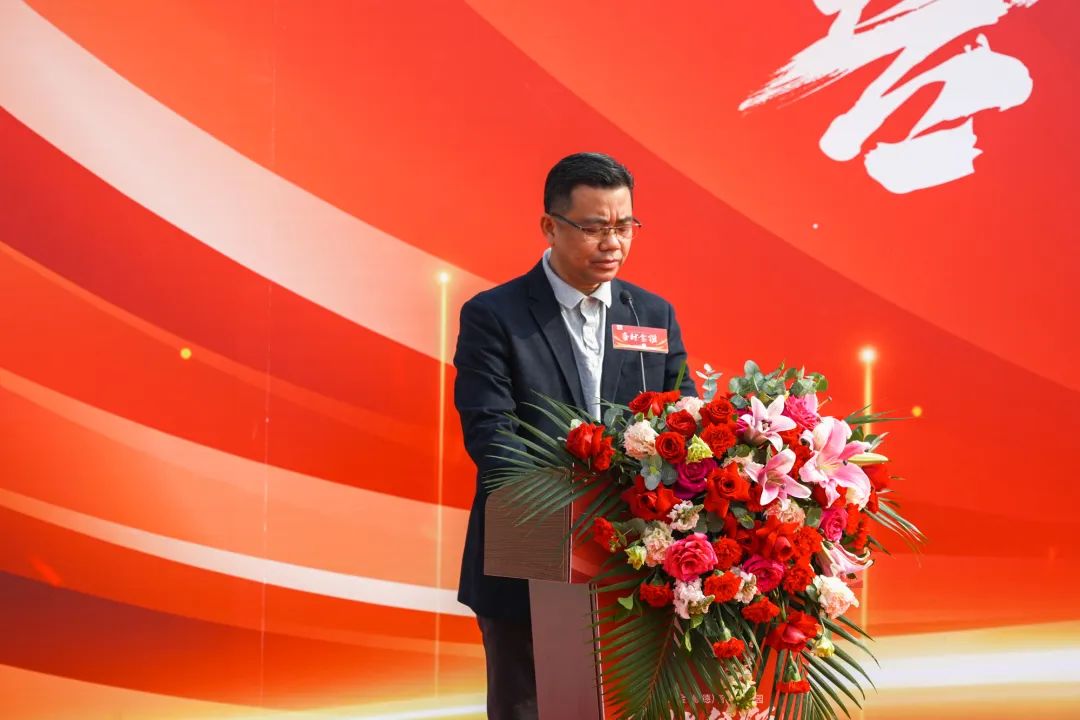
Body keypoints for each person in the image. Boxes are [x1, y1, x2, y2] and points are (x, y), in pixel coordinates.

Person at [453, 152, 696, 719]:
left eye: (625, 226)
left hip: (635, 550)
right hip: (531, 543)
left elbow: (683, 421)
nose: (613, 243)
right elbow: (490, 434)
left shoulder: (652, 314)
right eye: (594, 228)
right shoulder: (495, 315)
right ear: (550, 226)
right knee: (533, 708)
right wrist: (576, 507)